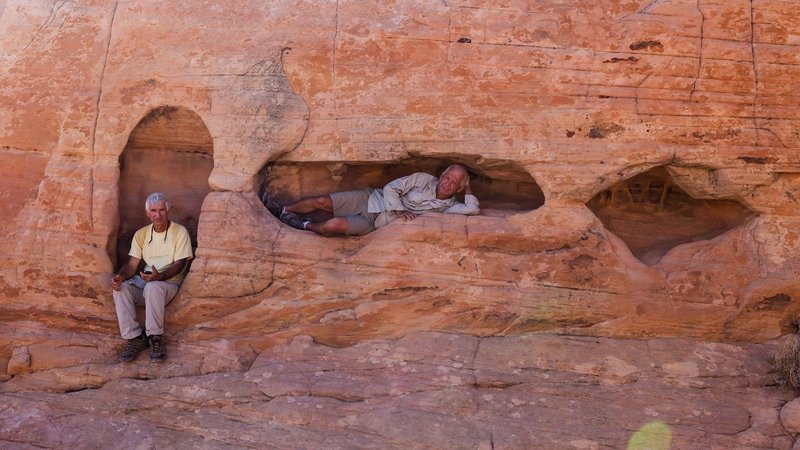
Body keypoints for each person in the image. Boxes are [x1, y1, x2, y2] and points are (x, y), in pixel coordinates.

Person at [262, 164, 480, 236]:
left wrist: (468, 185)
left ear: (459, 187)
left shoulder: (449, 207)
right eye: (446, 177)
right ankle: (283, 210)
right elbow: (391, 188)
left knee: (334, 225)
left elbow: (472, 210)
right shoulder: (423, 179)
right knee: (322, 201)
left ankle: (303, 224)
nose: (446, 183)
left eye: (454, 182)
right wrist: (401, 210)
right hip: (372, 200)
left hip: (377, 222)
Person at [111, 192, 193, 363]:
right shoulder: (141, 234)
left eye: (162, 210)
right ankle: (134, 338)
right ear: (147, 213)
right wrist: (120, 276)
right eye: (153, 210)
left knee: (153, 287)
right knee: (121, 290)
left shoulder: (180, 232)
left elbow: (179, 265)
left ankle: (155, 338)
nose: (158, 215)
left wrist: (159, 276)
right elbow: (132, 265)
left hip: (169, 283)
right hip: (147, 281)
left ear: (168, 210)